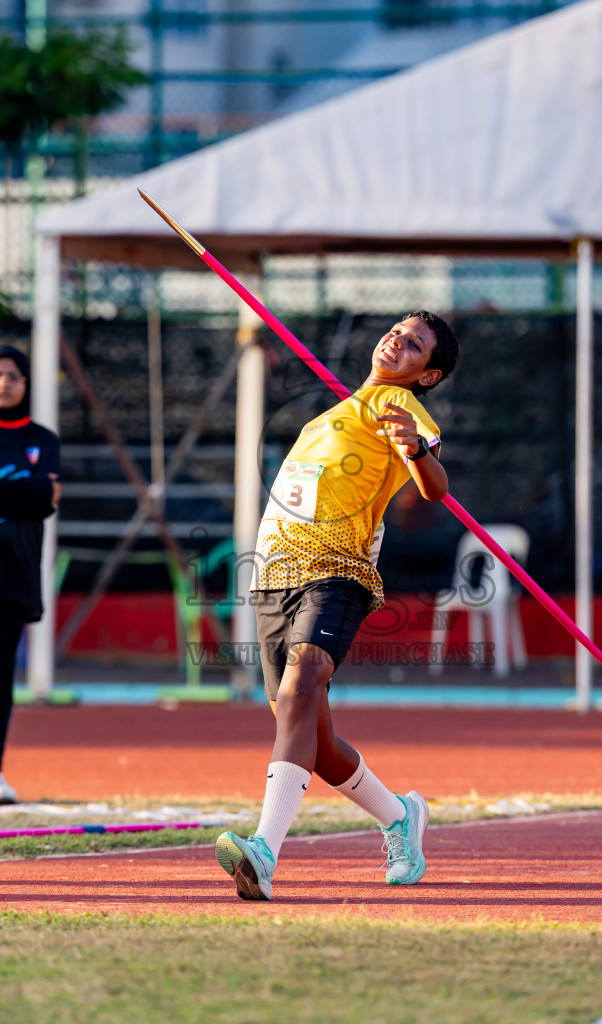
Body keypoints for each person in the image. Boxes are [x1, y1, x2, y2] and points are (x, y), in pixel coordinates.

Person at [215, 310, 459, 901]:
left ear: (427, 375)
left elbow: (435, 488)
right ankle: (400, 817)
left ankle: (264, 851)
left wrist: (416, 449)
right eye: (397, 331)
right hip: (274, 575)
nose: (398, 341)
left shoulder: (397, 409)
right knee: (310, 736)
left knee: (303, 686)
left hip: (337, 571)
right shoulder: (336, 413)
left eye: (415, 345)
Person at [0, 345, 61, 803]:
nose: (5, 383)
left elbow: (48, 498)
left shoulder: (43, 437)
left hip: (14, 576)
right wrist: (27, 491)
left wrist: (31, 493)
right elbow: (36, 494)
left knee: (2, 681)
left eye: (14, 375)